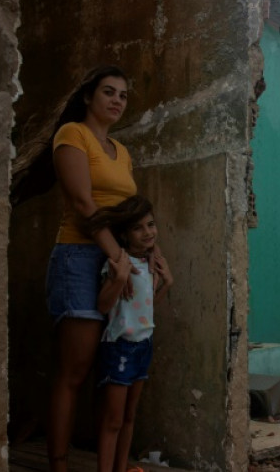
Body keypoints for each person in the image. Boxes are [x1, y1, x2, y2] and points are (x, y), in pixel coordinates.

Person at [45, 65, 137, 471]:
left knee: (112, 368)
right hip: (80, 259)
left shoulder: (123, 151)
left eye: (123, 95)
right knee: (74, 372)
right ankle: (60, 465)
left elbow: (131, 213)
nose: (116, 100)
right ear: (88, 97)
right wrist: (116, 256)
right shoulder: (72, 135)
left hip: (116, 259)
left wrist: (142, 255)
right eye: (108, 92)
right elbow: (84, 205)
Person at [86, 195, 172, 472]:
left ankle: (121, 468)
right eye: (138, 228)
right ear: (124, 234)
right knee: (113, 419)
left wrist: (166, 284)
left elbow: (144, 308)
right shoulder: (117, 264)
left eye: (151, 224)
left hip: (143, 345)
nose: (148, 232)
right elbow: (102, 305)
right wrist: (119, 278)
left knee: (130, 416)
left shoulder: (150, 265)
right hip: (119, 347)